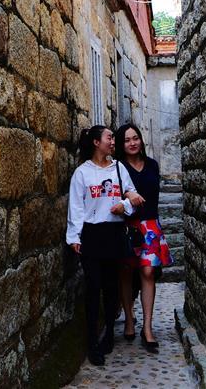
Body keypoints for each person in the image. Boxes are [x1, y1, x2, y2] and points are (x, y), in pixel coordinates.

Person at [67, 125, 145, 366]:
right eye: (109, 138)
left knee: (111, 287)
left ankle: (109, 333)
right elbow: (76, 207)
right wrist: (74, 237)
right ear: (96, 142)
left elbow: (133, 196)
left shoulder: (119, 168)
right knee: (93, 288)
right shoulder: (82, 173)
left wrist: (124, 206)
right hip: (91, 234)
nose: (113, 142)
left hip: (113, 233)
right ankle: (92, 342)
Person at [115, 123, 173, 353]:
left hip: (149, 226)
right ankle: (129, 319)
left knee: (148, 272)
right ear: (121, 144)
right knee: (126, 272)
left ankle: (147, 327)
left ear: (141, 140)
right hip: (127, 227)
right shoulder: (118, 168)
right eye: (127, 140)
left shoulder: (152, 165)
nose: (132, 143)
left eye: (135, 138)